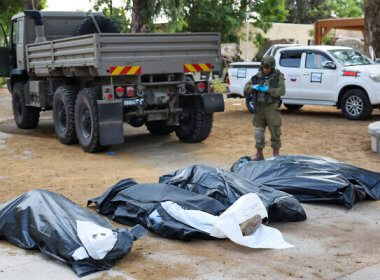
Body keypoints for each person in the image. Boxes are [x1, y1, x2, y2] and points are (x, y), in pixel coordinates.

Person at [244, 56, 285, 160]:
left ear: (272, 67)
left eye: (268, 68)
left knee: (275, 131)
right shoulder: (257, 77)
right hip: (259, 108)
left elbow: (281, 91)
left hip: (272, 107)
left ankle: (275, 156)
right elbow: (246, 87)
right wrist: (254, 87)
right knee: (258, 132)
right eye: (264, 68)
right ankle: (259, 154)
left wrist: (269, 90)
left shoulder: (278, 76)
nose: (266, 70)